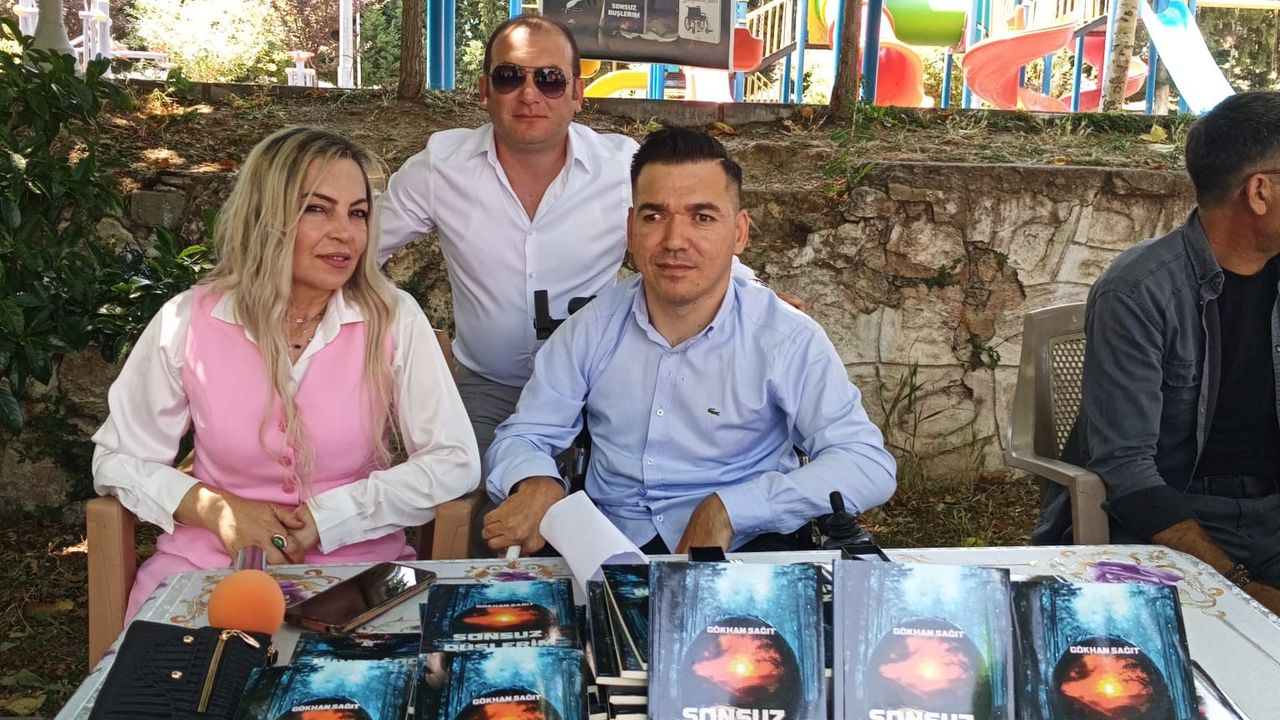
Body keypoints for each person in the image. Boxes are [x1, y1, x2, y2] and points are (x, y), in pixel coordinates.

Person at [92, 127, 481, 621]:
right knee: (183, 671)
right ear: (266, 216)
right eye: (317, 209)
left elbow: (453, 460)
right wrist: (213, 509)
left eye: (358, 213)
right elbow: (116, 458)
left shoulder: (392, 317)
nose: (345, 233)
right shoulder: (188, 320)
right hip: (206, 567)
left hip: (356, 574)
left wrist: (331, 515)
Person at [377, 14, 800, 457]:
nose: (529, 94)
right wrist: (389, 329)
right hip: (490, 387)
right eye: (509, 77)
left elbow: (689, 236)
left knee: (624, 491)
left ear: (578, 94)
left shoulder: (620, 167)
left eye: (550, 80)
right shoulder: (441, 167)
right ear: (485, 90)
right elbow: (358, 248)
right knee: (479, 496)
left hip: (602, 383)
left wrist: (755, 293)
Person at [480, 127, 896, 556]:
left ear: (739, 232)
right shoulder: (590, 329)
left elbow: (865, 463)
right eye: (654, 217)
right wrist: (536, 481)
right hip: (606, 545)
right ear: (631, 229)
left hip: (747, 546)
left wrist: (730, 510)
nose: (675, 241)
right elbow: (524, 434)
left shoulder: (785, 338)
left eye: (702, 217)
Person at [1032, 91, 1280, 614]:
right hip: (1172, 522)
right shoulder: (1138, 290)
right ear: (1259, 191)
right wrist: (1239, 586)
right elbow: (1127, 470)